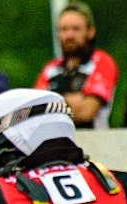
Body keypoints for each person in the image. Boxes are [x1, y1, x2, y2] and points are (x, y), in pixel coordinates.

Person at [34, 1, 120, 129]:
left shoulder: (102, 62)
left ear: (90, 31)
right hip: (57, 144)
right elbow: (34, 112)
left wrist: (51, 102)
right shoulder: (50, 68)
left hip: (95, 143)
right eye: (64, 29)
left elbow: (86, 112)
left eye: (76, 29)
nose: (69, 35)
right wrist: (74, 101)